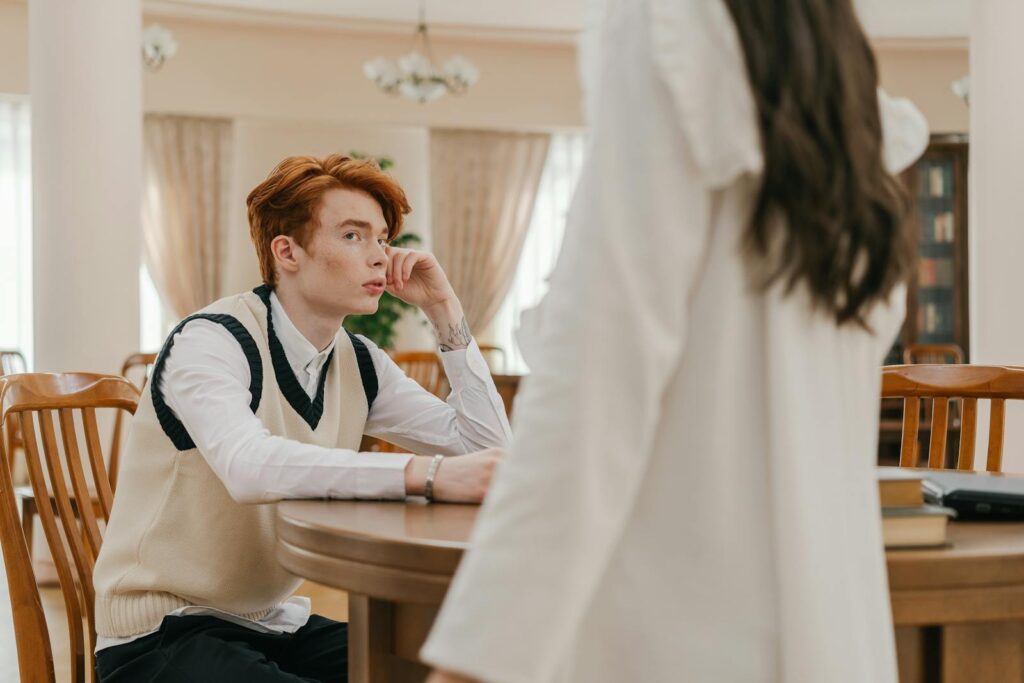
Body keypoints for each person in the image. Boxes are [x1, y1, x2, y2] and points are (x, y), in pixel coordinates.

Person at [421, 0, 928, 681]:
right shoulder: (836, 69)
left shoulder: (666, 26)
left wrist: (473, 660)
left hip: (677, 623)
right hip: (832, 624)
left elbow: (592, 386)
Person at [92, 154, 510, 682]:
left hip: (270, 624)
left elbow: (486, 448)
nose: (381, 257)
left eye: (383, 238)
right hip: (160, 633)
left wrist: (446, 311)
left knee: (449, 665)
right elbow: (249, 466)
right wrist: (425, 474)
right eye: (354, 236)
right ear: (286, 251)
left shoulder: (358, 362)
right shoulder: (211, 339)